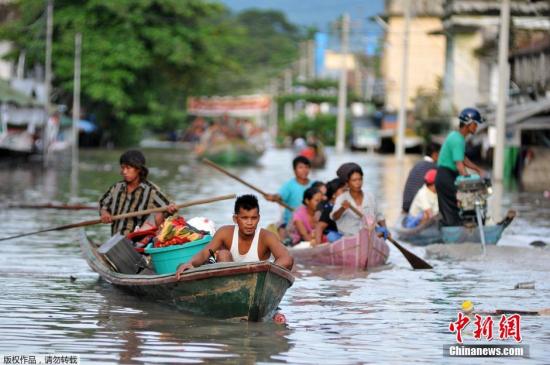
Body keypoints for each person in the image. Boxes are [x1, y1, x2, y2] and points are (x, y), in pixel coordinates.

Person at [175, 195, 294, 278]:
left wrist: (266, 274)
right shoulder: (225, 233)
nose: (249, 223)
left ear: (259, 218)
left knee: (288, 260)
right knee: (223, 254)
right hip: (230, 279)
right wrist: (190, 263)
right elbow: (205, 253)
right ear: (235, 219)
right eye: (244, 218)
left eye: (253, 218)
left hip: (260, 280)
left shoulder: (266, 236)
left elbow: (286, 259)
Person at [99, 150, 177, 236]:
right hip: (115, 240)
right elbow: (103, 204)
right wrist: (104, 213)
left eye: (128, 168)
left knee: (160, 213)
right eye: (122, 168)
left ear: (138, 169)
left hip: (137, 241)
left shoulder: (151, 191)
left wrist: (171, 208)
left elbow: (168, 207)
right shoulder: (116, 188)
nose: (124, 172)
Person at [436, 108, 486, 227]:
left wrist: (478, 170)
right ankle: (453, 231)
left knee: (453, 210)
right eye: (475, 124)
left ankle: (455, 226)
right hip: (445, 176)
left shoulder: (457, 137)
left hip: (446, 177)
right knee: (453, 210)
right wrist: (466, 182)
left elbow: (463, 159)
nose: (476, 127)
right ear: (468, 124)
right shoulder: (458, 139)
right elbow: (459, 164)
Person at [331, 164, 389, 238]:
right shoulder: (342, 198)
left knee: (380, 233)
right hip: (349, 238)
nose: (358, 183)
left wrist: (385, 229)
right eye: (354, 180)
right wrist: (342, 208)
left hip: (370, 235)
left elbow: (379, 216)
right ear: (347, 183)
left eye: (360, 179)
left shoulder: (370, 196)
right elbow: (334, 217)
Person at [265, 156, 313, 227]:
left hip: (310, 222)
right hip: (291, 222)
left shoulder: (314, 185)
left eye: (306, 167)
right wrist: (274, 198)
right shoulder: (288, 186)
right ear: (294, 170)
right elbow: (279, 197)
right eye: (301, 167)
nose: (304, 170)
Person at [402, 142, 440, 213]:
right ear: (435, 154)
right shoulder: (434, 168)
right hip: (418, 205)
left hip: (406, 204)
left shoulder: (417, 164)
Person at [314, 177, 346, 243]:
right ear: (334, 195)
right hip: (334, 239)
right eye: (343, 191)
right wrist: (318, 245)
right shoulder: (329, 209)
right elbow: (319, 227)